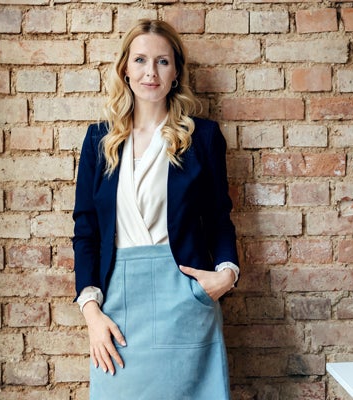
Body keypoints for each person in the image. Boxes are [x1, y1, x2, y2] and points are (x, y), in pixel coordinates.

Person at [72, 19, 240, 399]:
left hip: (184, 300)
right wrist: (90, 312)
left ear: (176, 71)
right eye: (141, 60)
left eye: (162, 62)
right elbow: (86, 231)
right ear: (125, 69)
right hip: (116, 308)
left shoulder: (202, 137)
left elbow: (218, 218)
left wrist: (226, 274)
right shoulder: (99, 139)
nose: (151, 72)